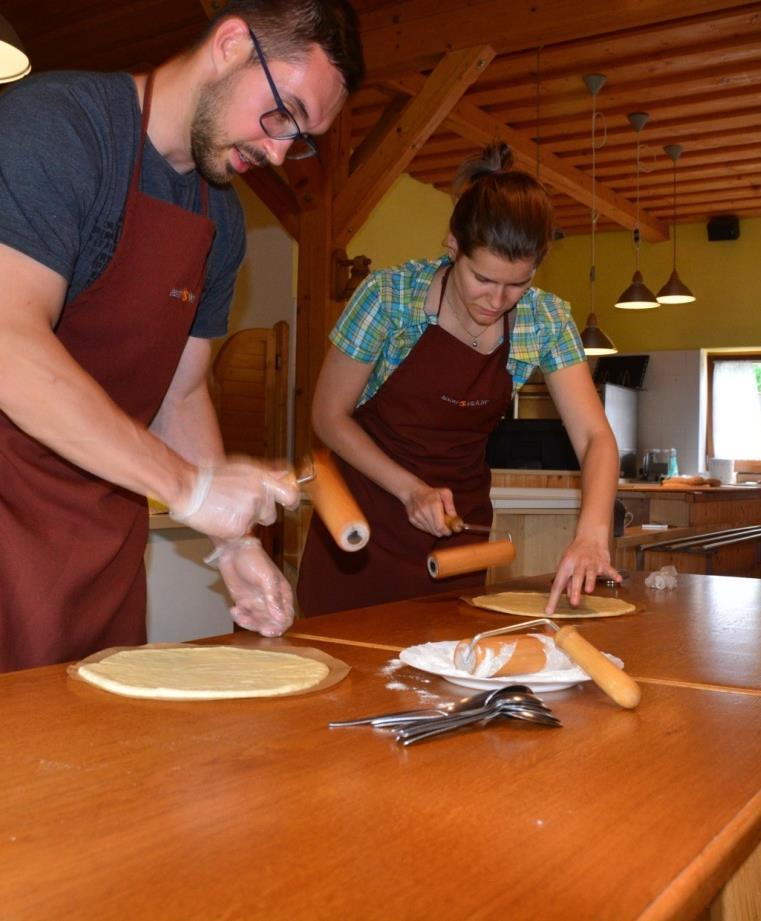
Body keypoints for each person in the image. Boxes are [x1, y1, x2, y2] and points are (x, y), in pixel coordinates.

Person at [0, 0, 364, 671]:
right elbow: (10, 350)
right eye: (283, 113)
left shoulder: (219, 220)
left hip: (100, 540)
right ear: (230, 43)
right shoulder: (58, 129)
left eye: (301, 137)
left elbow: (182, 390)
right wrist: (189, 487)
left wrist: (232, 544)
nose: (280, 151)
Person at [297, 143, 621, 618]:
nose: (497, 299)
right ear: (453, 247)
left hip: (457, 533)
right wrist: (410, 490)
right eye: (483, 279)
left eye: (517, 284)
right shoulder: (389, 299)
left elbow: (595, 437)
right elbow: (327, 416)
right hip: (362, 523)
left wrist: (592, 533)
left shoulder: (545, 319)